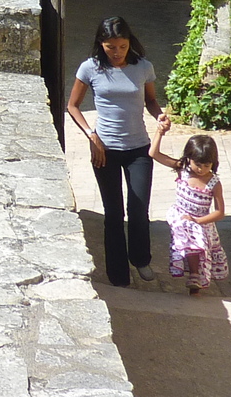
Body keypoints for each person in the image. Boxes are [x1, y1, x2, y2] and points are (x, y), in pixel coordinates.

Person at [66, 16, 168, 286]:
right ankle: (118, 274)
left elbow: (151, 101)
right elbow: (73, 106)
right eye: (111, 47)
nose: (117, 52)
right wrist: (91, 135)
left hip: (139, 150)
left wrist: (160, 117)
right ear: (101, 44)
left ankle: (140, 259)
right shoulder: (90, 68)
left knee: (138, 210)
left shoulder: (143, 67)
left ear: (129, 43)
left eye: (122, 46)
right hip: (105, 151)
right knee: (113, 214)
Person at [151, 125, 229, 294]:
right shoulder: (183, 170)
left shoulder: (214, 183)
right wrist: (159, 132)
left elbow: (220, 212)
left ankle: (196, 280)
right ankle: (194, 277)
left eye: (206, 165)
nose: (201, 169)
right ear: (188, 159)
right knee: (191, 247)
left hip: (201, 223)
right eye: (197, 164)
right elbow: (154, 154)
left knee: (199, 252)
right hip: (181, 218)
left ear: (213, 163)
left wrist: (198, 221)